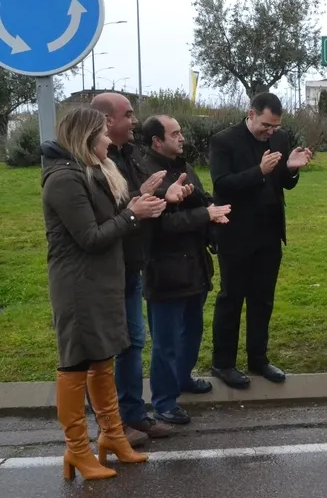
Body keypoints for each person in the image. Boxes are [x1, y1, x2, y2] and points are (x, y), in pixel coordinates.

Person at [41, 107, 162, 480]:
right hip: (78, 287)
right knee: (76, 363)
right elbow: (91, 237)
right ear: (88, 138)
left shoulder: (92, 172)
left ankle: (112, 437)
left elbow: (107, 221)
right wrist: (132, 215)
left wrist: (137, 202)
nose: (110, 140)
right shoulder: (64, 179)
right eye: (103, 134)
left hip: (102, 283)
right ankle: (77, 450)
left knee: (103, 360)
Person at [208, 92, 313, 389]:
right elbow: (222, 185)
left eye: (275, 127)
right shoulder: (224, 141)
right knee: (232, 298)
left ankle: (258, 358)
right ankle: (223, 363)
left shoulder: (279, 140)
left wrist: (291, 169)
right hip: (235, 232)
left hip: (269, 233)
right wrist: (259, 171)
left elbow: (281, 182)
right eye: (266, 125)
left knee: (262, 299)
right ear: (251, 114)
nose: (270, 132)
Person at [91, 93, 176, 443]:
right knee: (107, 347)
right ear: (107, 121)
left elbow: (133, 201)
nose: (134, 121)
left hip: (132, 263)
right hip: (106, 269)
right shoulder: (92, 163)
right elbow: (103, 214)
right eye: (128, 115)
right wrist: (138, 201)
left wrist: (161, 197)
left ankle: (133, 414)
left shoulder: (129, 154)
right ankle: (109, 425)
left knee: (133, 341)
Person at [139, 115, 231, 425]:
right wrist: (204, 214)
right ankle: (164, 401)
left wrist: (213, 214)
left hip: (194, 267)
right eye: (174, 133)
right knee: (165, 341)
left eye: (180, 132)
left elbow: (201, 204)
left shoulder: (184, 166)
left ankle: (182, 378)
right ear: (156, 141)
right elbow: (159, 224)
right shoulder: (147, 173)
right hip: (165, 271)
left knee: (191, 331)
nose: (181, 138)